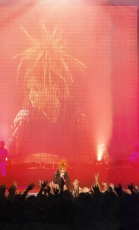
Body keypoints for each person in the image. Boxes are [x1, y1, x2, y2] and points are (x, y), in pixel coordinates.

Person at [10, 24, 89, 164]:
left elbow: (83, 159)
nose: (31, 95)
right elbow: (16, 161)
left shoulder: (73, 114)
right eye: (29, 90)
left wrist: (54, 160)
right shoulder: (27, 116)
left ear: (53, 88)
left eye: (37, 89)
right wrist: (17, 134)